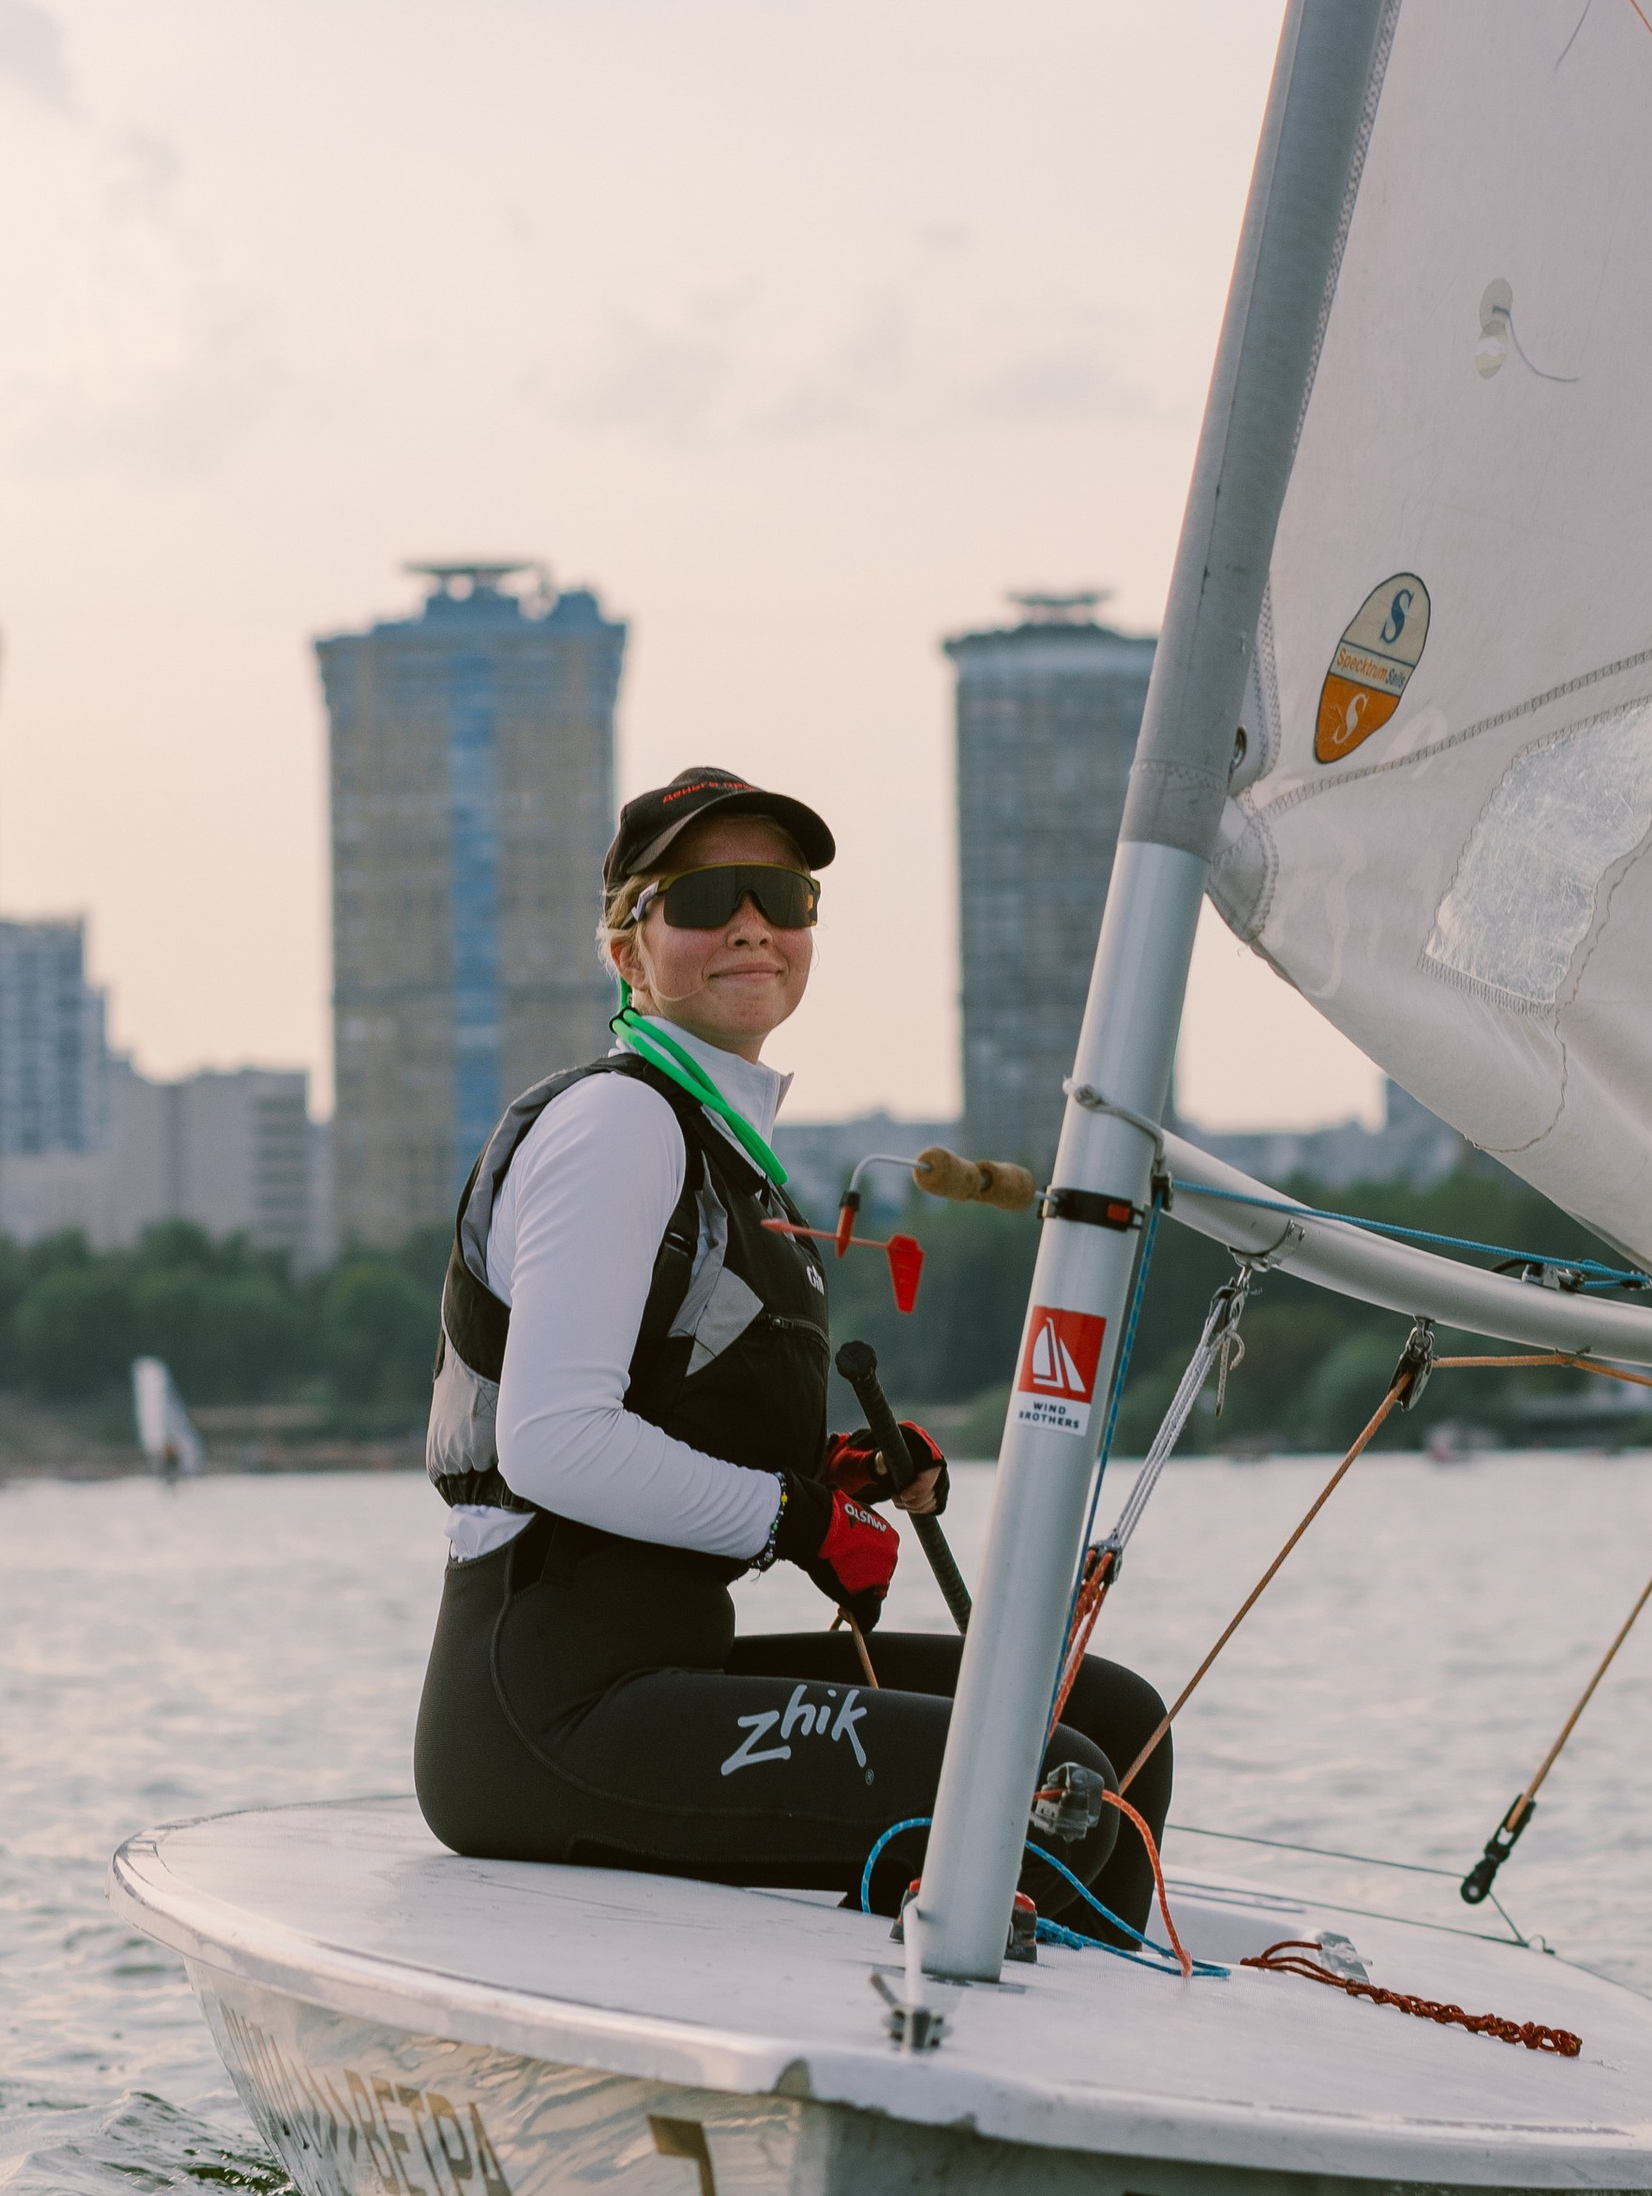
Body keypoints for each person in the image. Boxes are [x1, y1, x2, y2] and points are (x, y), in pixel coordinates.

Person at [412, 763, 1167, 1936]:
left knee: (1109, 1718)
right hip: (548, 1713)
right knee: (1051, 1775)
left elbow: (667, 1411)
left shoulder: (723, 1145)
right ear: (628, 948)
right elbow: (554, 1444)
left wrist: (834, 1474)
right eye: (705, 899)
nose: (752, 924)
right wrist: (795, 1522)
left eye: (781, 893)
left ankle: (1081, 2036)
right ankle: (1037, 2077)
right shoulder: (617, 1123)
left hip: (665, 1671)